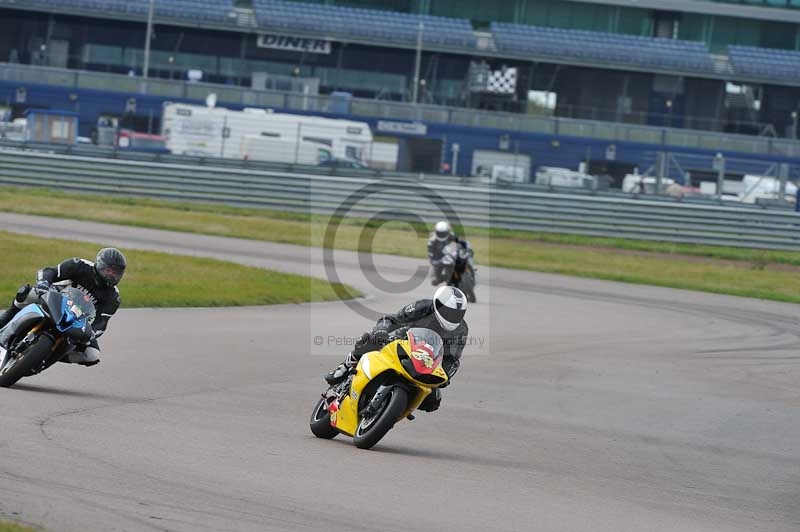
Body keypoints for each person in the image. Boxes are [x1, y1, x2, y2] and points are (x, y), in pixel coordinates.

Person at [324, 286, 469, 412]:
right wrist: (382, 330)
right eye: (449, 312)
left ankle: (394, 408)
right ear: (437, 305)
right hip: (402, 341)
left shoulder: (461, 330)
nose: (452, 317)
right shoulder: (423, 307)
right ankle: (345, 366)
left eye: (457, 314)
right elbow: (391, 319)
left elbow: (452, 359)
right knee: (373, 340)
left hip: (426, 360)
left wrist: (445, 377)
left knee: (433, 400)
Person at [0, 248, 126, 367]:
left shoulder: (114, 297)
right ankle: (5, 319)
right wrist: (43, 283)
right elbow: (50, 271)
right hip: (55, 298)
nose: (111, 274)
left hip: (78, 320)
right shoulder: (79, 265)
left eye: (115, 272)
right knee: (27, 294)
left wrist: (91, 334)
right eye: (108, 270)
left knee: (92, 355)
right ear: (99, 265)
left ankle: (49, 356)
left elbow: (101, 323)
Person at [427, 220, 476, 285]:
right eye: (440, 233)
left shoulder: (452, 235)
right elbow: (431, 256)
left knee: (467, 254)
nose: (442, 234)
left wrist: (466, 247)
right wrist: (437, 262)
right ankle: (447, 279)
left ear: (448, 231)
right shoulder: (432, 241)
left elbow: (461, 242)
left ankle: (472, 267)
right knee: (435, 281)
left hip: (452, 254)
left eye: (444, 233)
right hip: (440, 259)